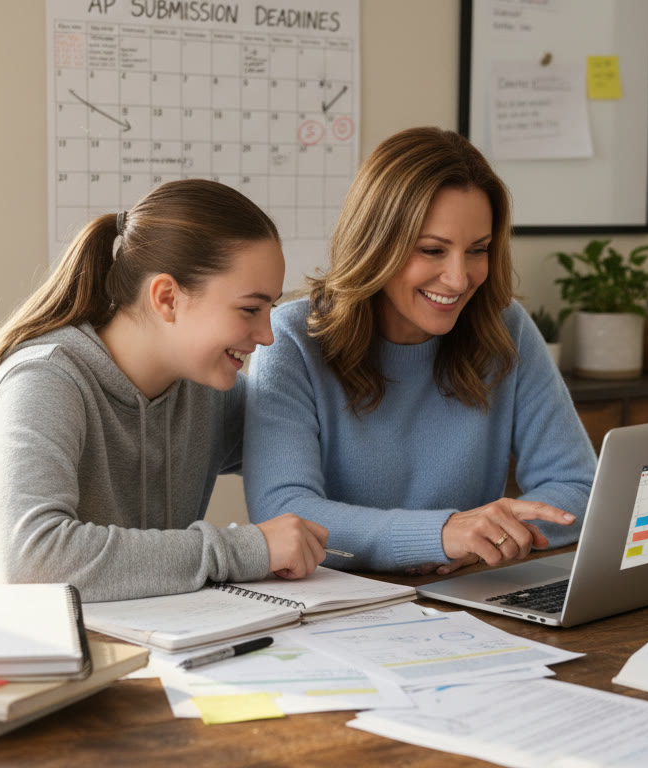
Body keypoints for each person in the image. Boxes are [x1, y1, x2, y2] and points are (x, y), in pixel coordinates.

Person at [0, 179, 328, 601]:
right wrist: (244, 549)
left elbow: (319, 447)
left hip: (125, 639)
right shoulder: (41, 382)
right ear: (167, 297)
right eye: (250, 309)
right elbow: (33, 561)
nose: (267, 335)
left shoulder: (203, 390)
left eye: (271, 309)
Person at [244, 127, 596, 575]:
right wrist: (439, 535)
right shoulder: (292, 338)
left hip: (465, 596)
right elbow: (282, 512)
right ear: (376, 242)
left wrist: (489, 537)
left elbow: (577, 487)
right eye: (432, 250)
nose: (458, 278)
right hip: (338, 609)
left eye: (478, 250)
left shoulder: (506, 328)